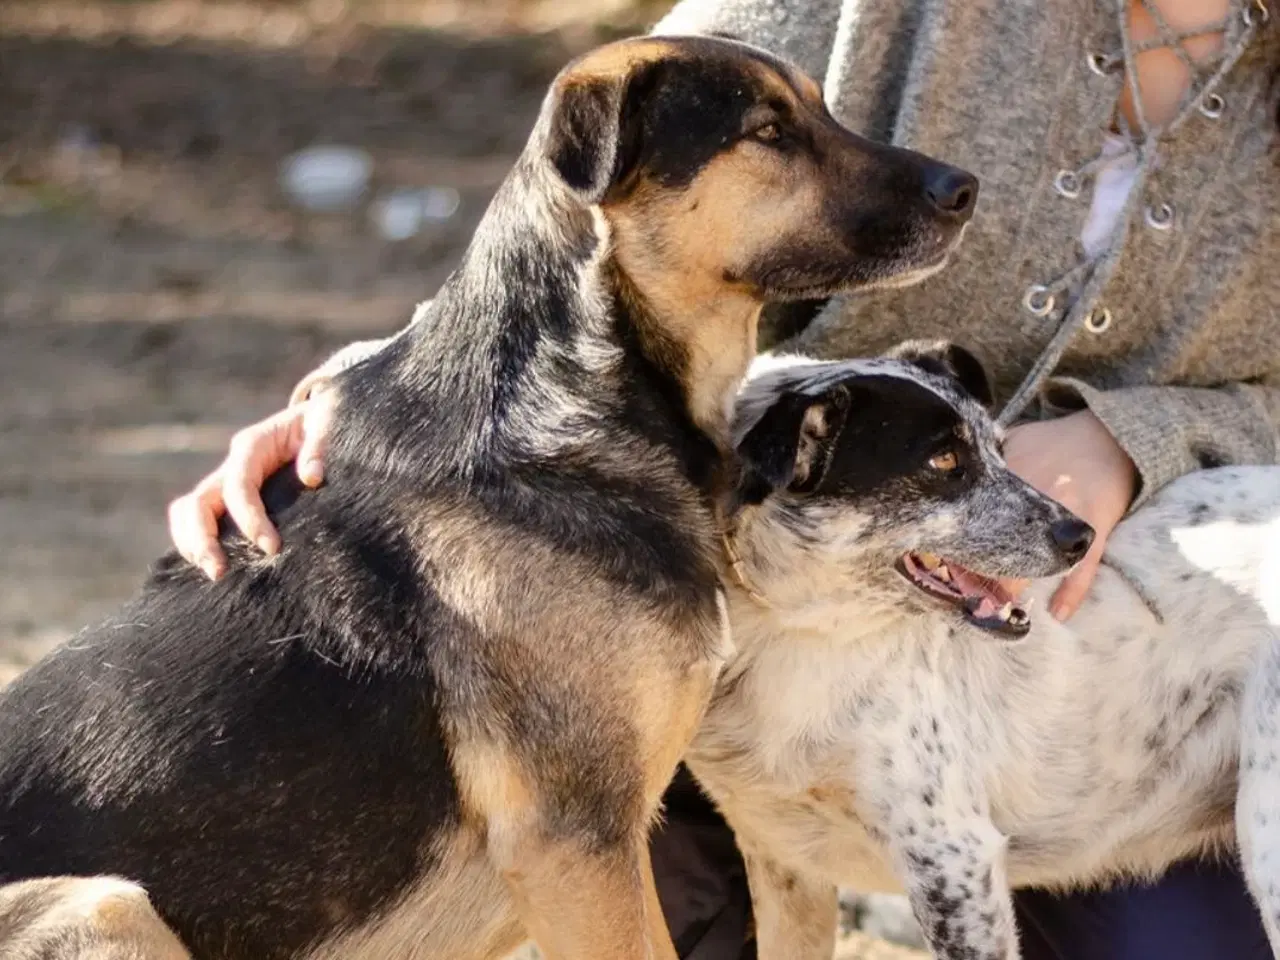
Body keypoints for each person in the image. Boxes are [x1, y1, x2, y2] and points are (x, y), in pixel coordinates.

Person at [167, 0, 1279, 956]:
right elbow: (581, 198)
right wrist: (365, 389)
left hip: (1126, 681)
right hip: (713, 585)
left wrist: (1132, 437)